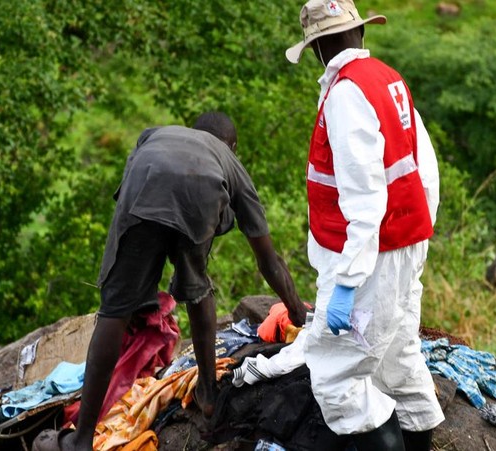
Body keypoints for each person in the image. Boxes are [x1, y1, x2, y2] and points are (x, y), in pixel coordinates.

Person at [34, 112, 308, 451]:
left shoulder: (155, 135)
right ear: (232, 147)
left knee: (114, 312)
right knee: (197, 289)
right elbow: (268, 259)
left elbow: (135, 204)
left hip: (143, 187)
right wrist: (297, 312)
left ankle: (81, 439)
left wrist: (134, 300)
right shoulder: (230, 163)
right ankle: (208, 393)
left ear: (192, 132)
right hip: (203, 197)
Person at [285, 1, 444, 450]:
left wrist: (348, 283)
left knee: (337, 378)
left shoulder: (346, 94)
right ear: (358, 33)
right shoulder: (388, 79)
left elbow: (365, 197)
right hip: (402, 242)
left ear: (316, 47)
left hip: (372, 254)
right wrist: (417, 242)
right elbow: (423, 168)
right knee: (397, 356)